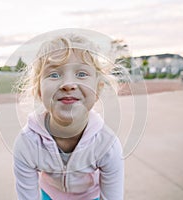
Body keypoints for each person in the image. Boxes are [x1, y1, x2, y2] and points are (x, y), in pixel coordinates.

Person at [13, 33, 124, 200]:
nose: (68, 85)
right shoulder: (27, 143)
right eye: (54, 75)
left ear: (98, 89)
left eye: (81, 74)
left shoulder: (107, 144)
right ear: (39, 90)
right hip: (49, 195)